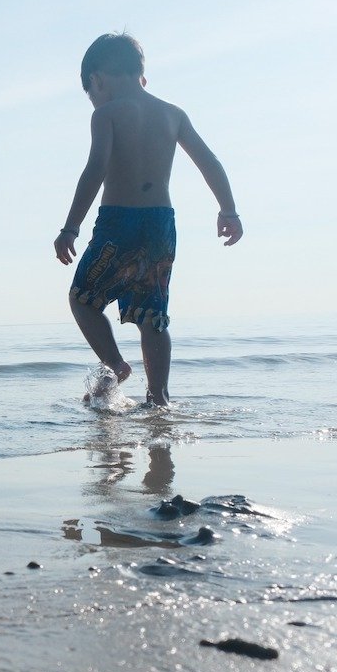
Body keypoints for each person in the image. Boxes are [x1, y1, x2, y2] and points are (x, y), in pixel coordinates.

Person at [54, 33, 242, 406]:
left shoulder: (105, 114)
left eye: (90, 91)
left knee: (82, 299)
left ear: (97, 79)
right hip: (160, 224)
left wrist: (70, 227)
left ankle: (115, 365)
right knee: (153, 315)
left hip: (118, 224)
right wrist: (228, 210)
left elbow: (95, 169)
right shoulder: (172, 113)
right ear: (141, 75)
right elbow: (210, 162)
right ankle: (159, 397)